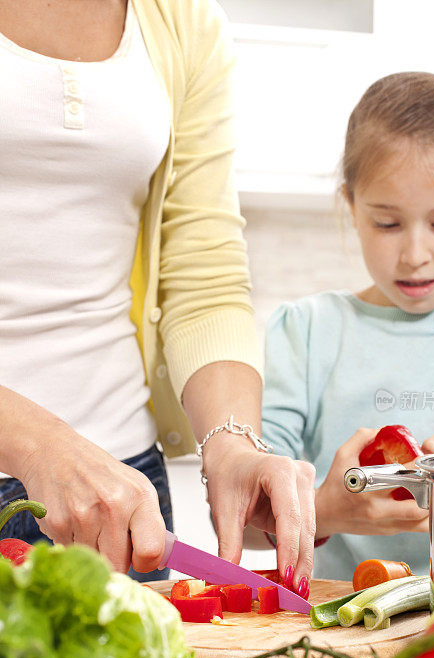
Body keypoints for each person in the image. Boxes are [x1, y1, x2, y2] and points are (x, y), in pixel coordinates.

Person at [0, 0, 315, 594]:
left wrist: (233, 445)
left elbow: (205, 270)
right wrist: (35, 443)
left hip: (123, 493)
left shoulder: (183, 21)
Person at [261, 72, 434, 581]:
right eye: (387, 223)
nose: (414, 255)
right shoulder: (307, 330)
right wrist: (323, 508)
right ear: (351, 206)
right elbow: (243, 516)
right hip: (345, 628)